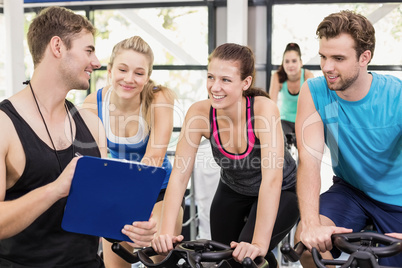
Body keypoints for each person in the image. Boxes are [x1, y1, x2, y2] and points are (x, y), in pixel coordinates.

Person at [0, 7, 156, 267]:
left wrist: (134, 230)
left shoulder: (92, 125)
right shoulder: (5, 125)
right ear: (58, 47)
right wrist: (54, 190)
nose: (96, 62)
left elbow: (104, 219)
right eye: (88, 50)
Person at [148, 43, 300, 268]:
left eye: (226, 80)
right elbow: (179, 176)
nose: (215, 87)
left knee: (246, 258)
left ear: (245, 83)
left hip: (282, 191)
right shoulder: (199, 113)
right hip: (233, 189)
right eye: (211, 77)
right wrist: (166, 235)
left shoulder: (263, 110)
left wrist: (258, 243)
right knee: (222, 259)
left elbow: (272, 180)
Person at [294, 10, 402, 267]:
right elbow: (308, 163)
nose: (327, 67)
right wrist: (309, 225)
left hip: (397, 200)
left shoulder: (397, 96)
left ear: (365, 57)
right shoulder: (314, 91)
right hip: (351, 192)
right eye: (323, 56)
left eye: (338, 58)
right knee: (308, 246)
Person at [83, 35, 183, 267]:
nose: (129, 79)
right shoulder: (93, 103)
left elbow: (154, 159)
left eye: (139, 73)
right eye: (122, 70)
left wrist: (134, 215)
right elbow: (98, 163)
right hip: (118, 192)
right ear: (109, 70)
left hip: (159, 191)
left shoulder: (159, 98)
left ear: (148, 76)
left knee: (160, 252)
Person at [269, 42, 314, 139]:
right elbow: (271, 103)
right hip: (284, 120)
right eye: (287, 61)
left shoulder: (308, 76)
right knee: (282, 143)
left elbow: (310, 104)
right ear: (283, 63)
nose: (290, 65)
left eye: (294, 61)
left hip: (303, 120)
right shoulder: (277, 76)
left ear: (301, 62)